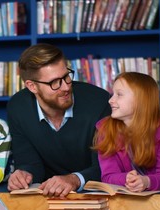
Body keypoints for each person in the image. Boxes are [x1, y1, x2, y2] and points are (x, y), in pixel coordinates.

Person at [7, 43, 111, 198]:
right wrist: (23, 175)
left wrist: (74, 179)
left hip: (95, 195)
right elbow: (30, 163)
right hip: (47, 196)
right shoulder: (18, 108)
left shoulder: (100, 102)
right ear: (32, 86)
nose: (66, 87)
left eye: (66, 76)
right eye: (54, 82)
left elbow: (106, 167)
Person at [93, 72, 160, 192]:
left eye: (119, 94)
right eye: (113, 94)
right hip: (127, 195)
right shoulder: (105, 128)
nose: (110, 100)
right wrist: (126, 178)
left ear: (140, 99)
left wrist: (147, 181)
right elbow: (108, 176)